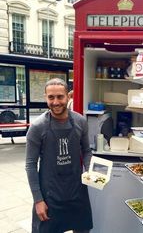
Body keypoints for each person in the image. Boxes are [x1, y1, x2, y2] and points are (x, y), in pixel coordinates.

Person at [25, 78, 93, 233]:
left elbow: (87, 151)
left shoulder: (80, 122)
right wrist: (38, 200)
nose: (55, 102)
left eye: (60, 97)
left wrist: (90, 171)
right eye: (51, 97)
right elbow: (30, 165)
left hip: (77, 192)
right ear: (45, 98)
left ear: (68, 97)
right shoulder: (37, 127)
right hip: (50, 196)